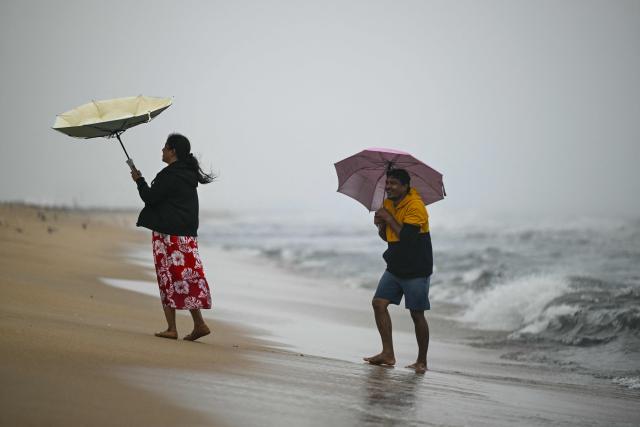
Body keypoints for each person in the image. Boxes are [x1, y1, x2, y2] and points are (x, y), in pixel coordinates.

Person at [131, 133, 215, 341]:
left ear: (173, 151)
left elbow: (150, 198)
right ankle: (199, 324)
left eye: (164, 147)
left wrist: (139, 180)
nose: (162, 151)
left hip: (168, 235)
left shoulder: (169, 175)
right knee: (186, 278)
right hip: (187, 236)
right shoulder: (188, 174)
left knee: (167, 278)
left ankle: (172, 328)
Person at [364, 168, 433, 374]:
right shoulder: (387, 203)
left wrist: (388, 217)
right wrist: (380, 226)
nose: (389, 187)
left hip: (416, 268)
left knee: (416, 314)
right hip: (395, 266)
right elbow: (389, 238)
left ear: (405, 186)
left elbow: (408, 239)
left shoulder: (416, 206)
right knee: (378, 303)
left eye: (394, 183)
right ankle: (388, 353)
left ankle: (422, 361)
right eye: (388, 183)